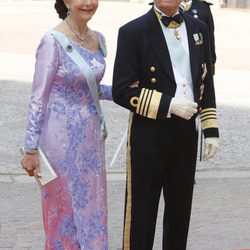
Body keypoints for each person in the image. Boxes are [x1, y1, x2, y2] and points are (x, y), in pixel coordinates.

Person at [112, 0, 219, 248]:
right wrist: (168, 105)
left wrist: (210, 129)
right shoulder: (133, 31)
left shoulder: (198, 27)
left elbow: (206, 81)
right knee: (142, 214)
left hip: (186, 133)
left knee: (180, 212)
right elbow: (121, 90)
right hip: (150, 131)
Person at [20, 0, 112, 249]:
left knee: (92, 205)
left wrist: (125, 92)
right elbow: (38, 97)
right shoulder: (52, 41)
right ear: (67, 2)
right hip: (60, 142)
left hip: (91, 141)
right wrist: (30, 150)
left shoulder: (99, 39)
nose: (89, 3)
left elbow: (91, 88)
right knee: (65, 211)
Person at [182, 0, 216, 74]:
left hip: (197, 61)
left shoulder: (203, 7)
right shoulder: (163, 6)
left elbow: (210, 38)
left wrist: (211, 62)